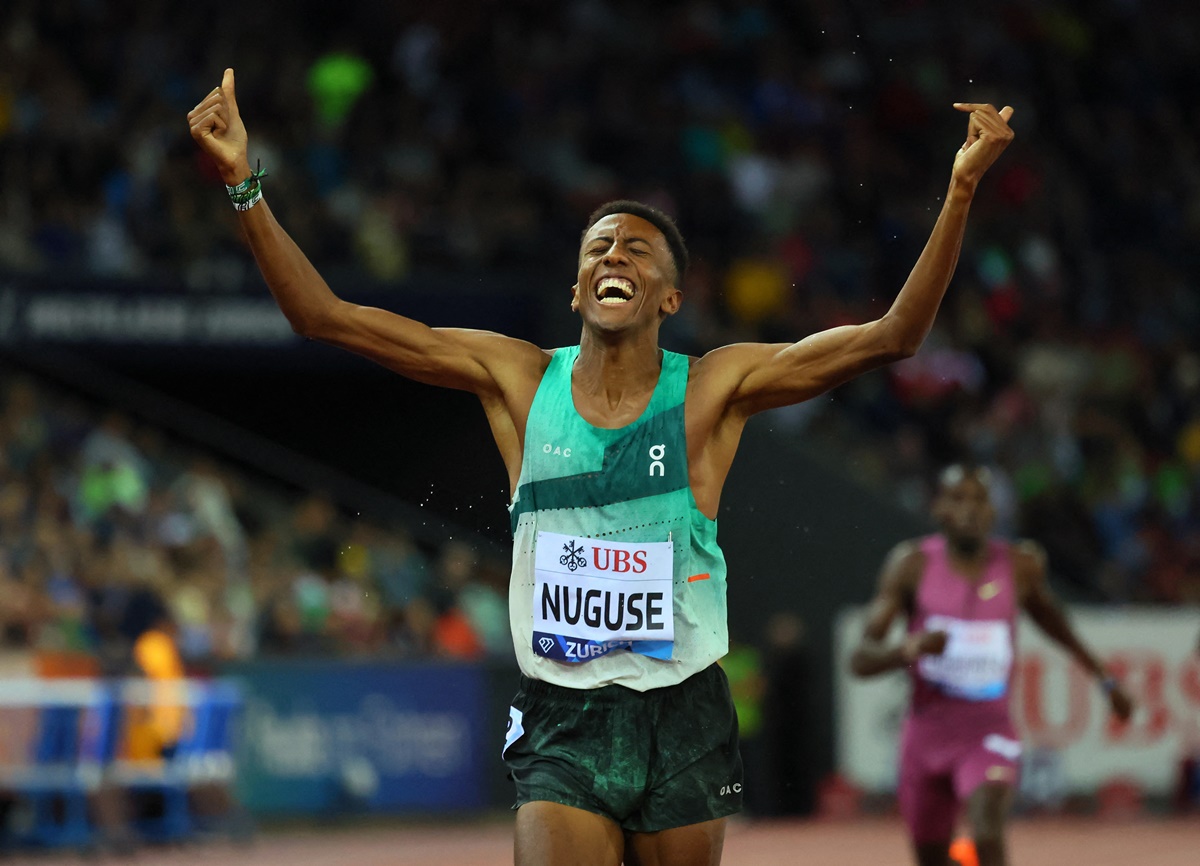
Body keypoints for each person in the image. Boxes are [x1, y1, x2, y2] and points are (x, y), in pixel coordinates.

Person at [188, 67, 1014, 866]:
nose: (616, 255)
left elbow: (892, 337)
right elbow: (324, 318)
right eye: (599, 247)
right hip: (564, 720)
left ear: (669, 299)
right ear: (579, 286)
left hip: (683, 714)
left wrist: (963, 190)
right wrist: (243, 187)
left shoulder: (713, 390)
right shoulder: (516, 379)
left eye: (640, 251)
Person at [850, 465, 1135, 866]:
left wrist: (1105, 679)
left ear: (993, 511)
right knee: (931, 858)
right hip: (926, 735)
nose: (969, 509)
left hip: (988, 730)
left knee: (985, 829)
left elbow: (1056, 624)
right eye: (958, 498)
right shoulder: (910, 565)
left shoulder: (1021, 566)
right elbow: (860, 660)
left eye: (979, 499)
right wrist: (909, 648)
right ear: (940, 509)